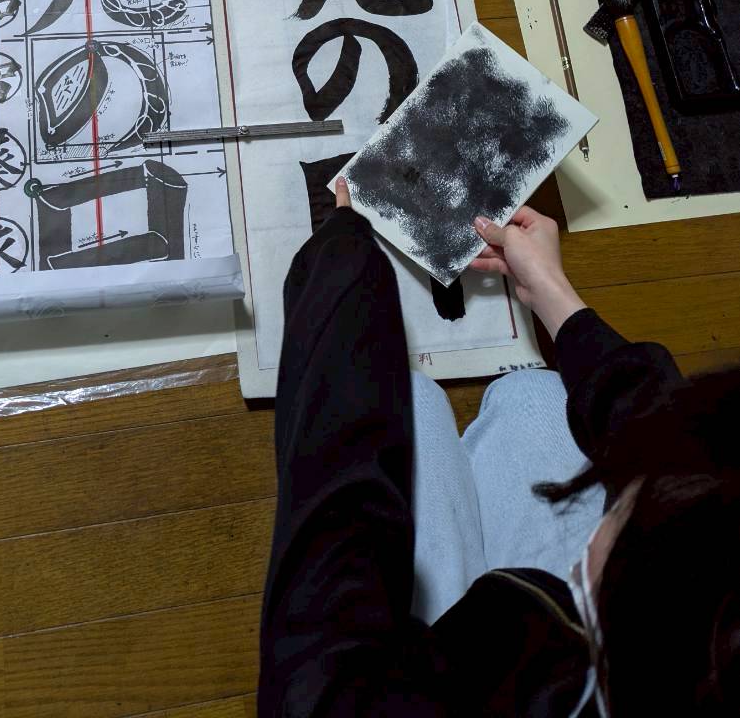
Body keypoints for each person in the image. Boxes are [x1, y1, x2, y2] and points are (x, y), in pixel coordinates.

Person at [259, 181, 740, 717]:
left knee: (412, 402)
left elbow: (322, 610)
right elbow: (667, 440)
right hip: (540, 627)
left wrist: (343, 272)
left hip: (442, 680)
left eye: (630, 505)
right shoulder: (690, 636)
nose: (624, 491)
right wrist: (553, 294)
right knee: (534, 394)